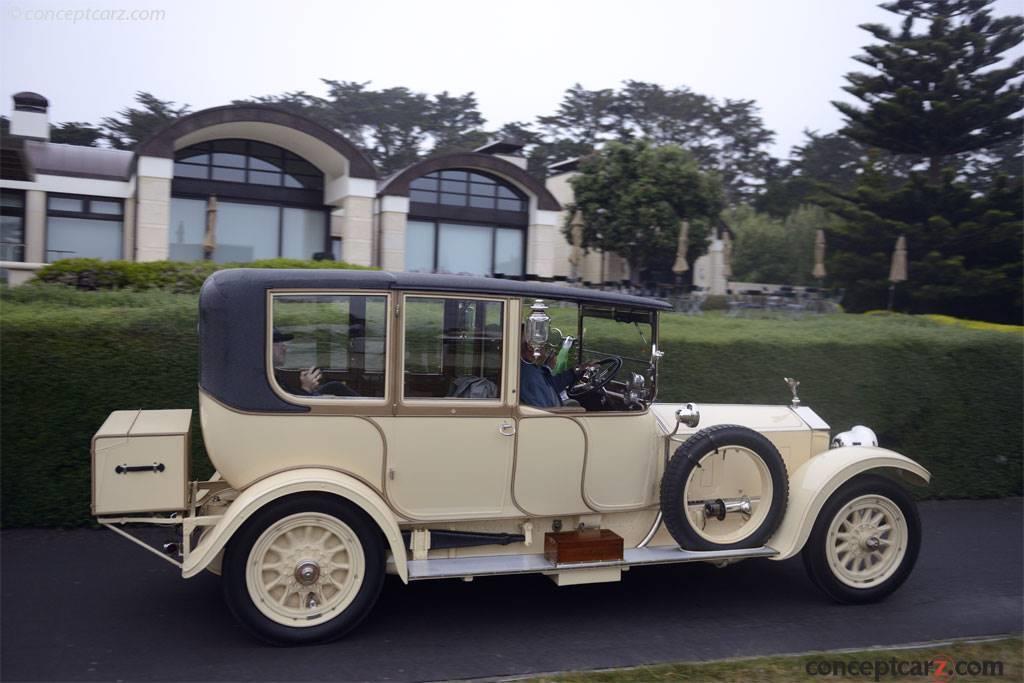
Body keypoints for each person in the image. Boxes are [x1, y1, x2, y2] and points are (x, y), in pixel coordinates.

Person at [519, 337, 579, 408]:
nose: (546, 351)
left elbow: (551, 385)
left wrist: (573, 372)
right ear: (530, 348)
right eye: (544, 346)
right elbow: (545, 411)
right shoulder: (530, 375)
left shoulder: (532, 369)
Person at [272, 329, 322, 394]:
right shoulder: (265, 380)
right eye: (278, 343)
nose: (284, 348)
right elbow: (283, 403)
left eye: (283, 343)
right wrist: (307, 388)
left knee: (334, 386)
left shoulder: (274, 376)